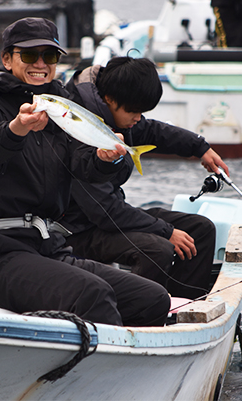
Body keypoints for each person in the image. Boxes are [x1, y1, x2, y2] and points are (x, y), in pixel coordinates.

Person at [0, 18, 170, 327]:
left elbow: (85, 166)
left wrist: (106, 160)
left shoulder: (63, 111)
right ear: (6, 59)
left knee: (153, 298)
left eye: (49, 56)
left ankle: (143, 369)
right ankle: (102, 371)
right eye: (29, 55)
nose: (40, 63)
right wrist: (17, 128)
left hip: (49, 247)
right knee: (92, 293)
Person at [60, 57, 230, 299]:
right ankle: (136, 317)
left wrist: (199, 147)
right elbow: (107, 212)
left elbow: (152, 131)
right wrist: (166, 231)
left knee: (200, 230)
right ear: (109, 99)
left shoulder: (113, 113)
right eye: (133, 111)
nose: (138, 117)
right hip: (77, 231)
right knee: (157, 249)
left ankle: (181, 307)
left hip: (102, 222)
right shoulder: (81, 128)